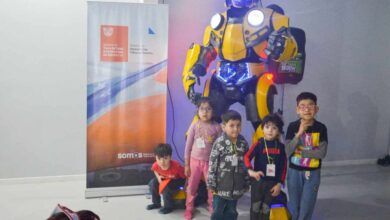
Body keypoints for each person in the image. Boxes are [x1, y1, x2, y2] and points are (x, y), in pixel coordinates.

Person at [285, 92, 328, 220]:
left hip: (312, 173)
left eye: (310, 105)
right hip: (294, 172)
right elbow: (287, 151)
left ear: (316, 109)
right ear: (297, 110)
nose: (307, 109)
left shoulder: (321, 128)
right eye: (302, 106)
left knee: (307, 205)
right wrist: (299, 134)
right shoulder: (292, 126)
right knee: (294, 205)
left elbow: (321, 153)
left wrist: (300, 152)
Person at [208, 110, 250, 220]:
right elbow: (213, 164)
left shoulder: (243, 143)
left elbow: (246, 164)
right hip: (220, 186)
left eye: (238, 125)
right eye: (231, 125)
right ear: (223, 126)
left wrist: (247, 181)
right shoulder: (219, 143)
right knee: (217, 211)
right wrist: (211, 183)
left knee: (231, 211)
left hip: (236, 186)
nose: (235, 129)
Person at [184, 97, 222, 219]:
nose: (205, 112)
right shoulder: (194, 126)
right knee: (192, 186)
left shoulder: (217, 127)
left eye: (208, 109)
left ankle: (212, 207)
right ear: (198, 111)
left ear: (213, 111)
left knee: (211, 186)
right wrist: (186, 164)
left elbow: (220, 147)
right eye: (202, 109)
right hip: (194, 161)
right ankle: (189, 208)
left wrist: (219, 165)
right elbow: (188, 146)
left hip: (210, 163)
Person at [244, 114, 287, 220]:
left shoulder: (281, 147)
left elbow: (284, 167)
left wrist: (279, 183)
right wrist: (250, 171)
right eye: (267, 127)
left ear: (278, 131)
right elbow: (246, 157)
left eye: (274, 128)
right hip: (258, 182)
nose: (270, 130)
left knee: (266, 208)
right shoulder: (259, 144)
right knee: (255, 206)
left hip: (272, 184)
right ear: (262, 129)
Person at [146, 143, 186, 214]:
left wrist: (186, 187)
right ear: (155, 157)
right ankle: (156, 203)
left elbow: (185, 177)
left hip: (177, 181)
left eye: (165, 158)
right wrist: (158, 178)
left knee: (166, 186)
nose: (162, 162)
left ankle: (168, 207)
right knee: (153, 183)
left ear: (170, 157)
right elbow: (154, 170)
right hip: (165, 179)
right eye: (159, 158)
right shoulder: (155, 165)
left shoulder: (176, 166)